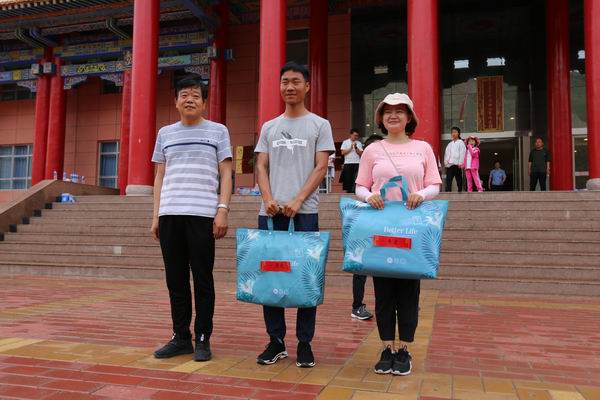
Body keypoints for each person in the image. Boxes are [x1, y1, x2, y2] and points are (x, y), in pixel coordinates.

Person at [254, 61, 335, 368]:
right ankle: (276, 341)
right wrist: (267, 198)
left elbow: (321, 166)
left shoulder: (319, 125)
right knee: (270, 274)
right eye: (285, 81)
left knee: (305, 277)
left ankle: (304, 343)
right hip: (271, 212)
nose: (290, 87)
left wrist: (299, 199)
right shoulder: (269, 127)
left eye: (296, 81)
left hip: (305, 213)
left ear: (307, 86)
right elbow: (261, 165)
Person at [355, 93, 442, 376]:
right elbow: (360, 186)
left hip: (411, 230)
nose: (393, 115)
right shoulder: (373, 150)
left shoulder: (423, 148)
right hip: (381, 228)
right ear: (381, 118)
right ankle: (386, 348)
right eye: (387, 111)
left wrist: (421, 194)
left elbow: (434, 184)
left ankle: (404, 349)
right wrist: (368, 197)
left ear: (409, 118)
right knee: (383, 292)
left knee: (408, 292)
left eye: (399, 111)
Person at [151, 76, 233, 362]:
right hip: (170, 214)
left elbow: (226, 173)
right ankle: (180, 337)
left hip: (202, 214)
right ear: (175, 101)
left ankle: (203, 338)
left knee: (202, 279)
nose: (189, 99)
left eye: (196, 95)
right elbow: (159, 176)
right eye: (184, 95)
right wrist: (156, 215)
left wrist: (222, 209)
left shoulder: (218, 131)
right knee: (175, 280)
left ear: (204, 102)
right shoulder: (165, 133)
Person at [350, 135, 382, 321]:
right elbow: (359, 191)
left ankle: (394, 304)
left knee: (386, 265)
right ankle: (357, 306)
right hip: (365, 223)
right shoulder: (364, 169)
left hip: (385, 222)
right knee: (360, 267)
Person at [443, 127, 466, 192]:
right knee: (448, 180)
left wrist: (460, 163)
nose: (453, 133)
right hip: (450, 165)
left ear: (458, 133)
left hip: (457, 164)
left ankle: (460, 192)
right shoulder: (450, 144)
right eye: (452, 132)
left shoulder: (461, 142)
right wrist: (446, 162)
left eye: (455, 132)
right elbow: (446, 154)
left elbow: (462, 153)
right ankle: (448, 193)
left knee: (459, 179)